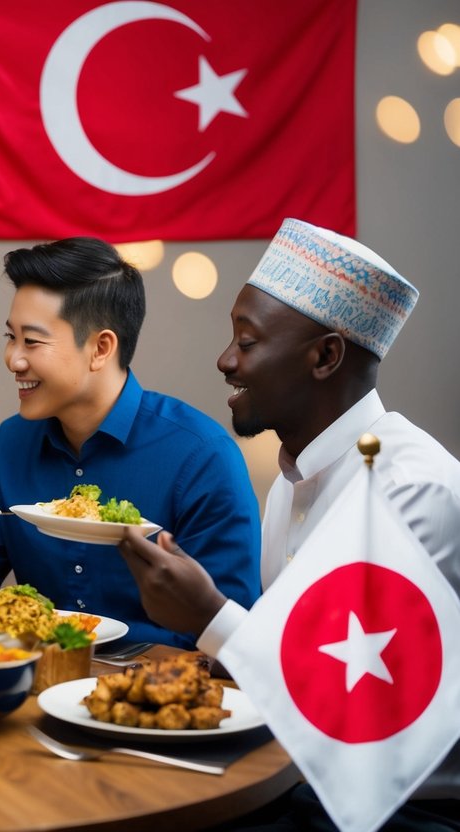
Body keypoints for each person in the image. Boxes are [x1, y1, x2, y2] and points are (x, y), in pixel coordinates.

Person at [117, 218, 460, 827]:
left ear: (325, 356)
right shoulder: (292, 485)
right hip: (303, 779)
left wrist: (207, 615)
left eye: (246, 342)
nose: (225, 361)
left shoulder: (410, 491)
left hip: (402, 811)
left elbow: (349, 708)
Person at [0, 237, 261, 649]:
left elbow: (233, 630)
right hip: (35, 688)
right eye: (11, 337)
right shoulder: (11, 445)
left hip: (152, 696)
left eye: (32, 341)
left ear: (100, 348)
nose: (13, 359)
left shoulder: (201, 457)